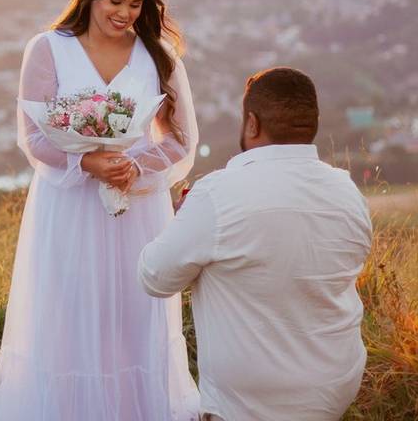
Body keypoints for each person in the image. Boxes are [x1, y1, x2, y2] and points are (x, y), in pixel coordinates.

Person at [0, 0, 200, 420]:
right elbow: (33, 135)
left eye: (136, 5)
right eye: (115, 0)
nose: (124, 14)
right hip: (69, 208)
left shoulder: (157, 56)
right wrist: (87, 164)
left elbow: (180, 139)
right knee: (67, 317)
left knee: (134, 317)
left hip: (137, 211)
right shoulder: (48, 48)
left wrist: (134, 166)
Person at [138, 67, 373, 421]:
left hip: (247, 400)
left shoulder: (216, 194)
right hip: (333, 388)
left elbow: (154, 277)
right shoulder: (348, 191)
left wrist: (181, 222)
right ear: (312, 124)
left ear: (252, 123)